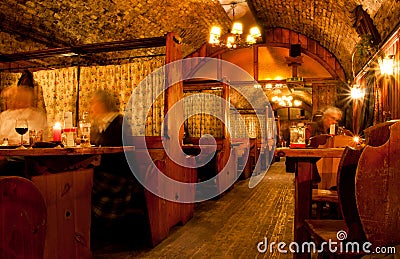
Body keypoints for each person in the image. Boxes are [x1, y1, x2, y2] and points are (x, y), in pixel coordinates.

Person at [89, 89, 141, 244]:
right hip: (102, 170)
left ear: (103, 104)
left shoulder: (121, 123)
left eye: (93, 103)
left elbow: (121, 155)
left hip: (119, 175)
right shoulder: (97, 124)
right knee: (76, 180)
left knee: (82, 184)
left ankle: (95, 231)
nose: (91, 107)